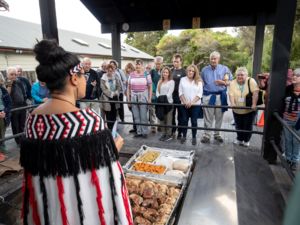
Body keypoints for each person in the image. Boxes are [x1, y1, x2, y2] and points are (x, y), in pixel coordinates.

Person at [20, 39, 133, 225]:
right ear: (74, 78)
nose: (84, 82)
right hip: (78, 211)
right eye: (82, 77)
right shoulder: (88, 121)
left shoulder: (32, 120)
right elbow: (104, 177)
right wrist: (113, 148)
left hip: (47, 209)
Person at [201, 51, 232, 143]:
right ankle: (206, 135)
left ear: (219, 59)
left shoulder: (225, 69)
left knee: (219, 116)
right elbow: (201, 83)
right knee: (207, 117)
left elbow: (231, 82)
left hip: (220, 96)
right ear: (209, 59)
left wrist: (223, 83)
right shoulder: (204, 70)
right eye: (212, 58)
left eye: (215, 58)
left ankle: (217, 134)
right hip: (208, 96)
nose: (213, 60)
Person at [229, 67, 258, 147]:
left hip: (249, 109)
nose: (240, 76)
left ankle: (246, 140)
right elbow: (231, 94)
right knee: (238, 125)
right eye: (238, 75)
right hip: (237, 109)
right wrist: (232, 103)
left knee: (247, 125)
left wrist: (254, 104)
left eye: (242, 75)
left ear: (246, 75)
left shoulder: (251, 81)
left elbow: (255, 93)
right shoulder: (233, 82)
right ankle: (239, 138)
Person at [127, 59, 152, 138]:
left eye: (139, 64)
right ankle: (139, 132)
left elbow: (150, 87)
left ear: (142, 66)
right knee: (136, 116)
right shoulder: (131, 75)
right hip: (134, 96)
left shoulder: (146, 74)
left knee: (143, 115)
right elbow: (128, 87)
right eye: (136, 64)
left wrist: (149, 98)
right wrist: (128, 99)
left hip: (143, 96)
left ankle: (144, 132)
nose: (137, 66)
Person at [179, 65, 203, 145]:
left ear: (195, 72)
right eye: (189, 70)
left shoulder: (199, 81)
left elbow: (200, 94)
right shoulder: (182, 79)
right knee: (184, 120)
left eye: (193, 71)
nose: (191, 72)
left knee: (194, 121)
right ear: (187, 71)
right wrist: (185, 101)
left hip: (195, 105)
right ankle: (184, 136)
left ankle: (194, 137)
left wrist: (192, 102)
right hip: (184, 104)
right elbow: (180, 92)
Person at [282, 68, 300, 171]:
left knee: (296, 141)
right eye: (293, 75)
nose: (294, 77)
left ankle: (295, 161)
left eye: (297, 76)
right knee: (288, 140)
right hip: (287, 119)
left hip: (299, 122)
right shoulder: (288, 89)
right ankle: (288, 159)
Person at [6, 66, 27, 145]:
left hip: (22, 106)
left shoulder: (19, 82)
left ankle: (22, 138)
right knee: (15, 125)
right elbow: (7, 95)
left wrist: (25, 102)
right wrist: (9, 84)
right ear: (7, 75)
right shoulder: (6, 83)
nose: (14, 76)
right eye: (11, 74)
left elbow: (23, 93)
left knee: (22, 124)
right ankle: (18, 141)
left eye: (15, 74)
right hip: (13, 108)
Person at [100, 64, 122, 130]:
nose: (110, 71)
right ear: (106, 70)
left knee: (114, 113)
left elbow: (119, 86)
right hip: (107, 98)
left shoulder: (116, 77)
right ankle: (109, 128)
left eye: (111, 70)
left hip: (115, 97)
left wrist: (116, 92)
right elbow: (103, 89)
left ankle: (114, 127)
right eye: (108, 70)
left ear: (113, 70)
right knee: (108, 114)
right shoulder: (103, 78)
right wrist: (111, 94)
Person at [156, 67, 174, 141]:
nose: (165, 74)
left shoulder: (171, 82)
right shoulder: (160, 81)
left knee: (168, 119)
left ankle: (169, 134)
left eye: (166, 72)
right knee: (162, 119)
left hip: (168, 103)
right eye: (164, 72)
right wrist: (159, 98)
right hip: (160, 103)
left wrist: (163, 98)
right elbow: (157, 91)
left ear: (169, 73)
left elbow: (170, 93)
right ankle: (164, 133)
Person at [171, 54, 186, 139]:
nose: (175, 63)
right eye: (174, 61)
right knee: (172, 114)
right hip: (171, 96)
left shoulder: (184, 72)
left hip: (180, 97)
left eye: (177, 61)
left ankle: (180, 132)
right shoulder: (170, 71)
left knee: (180, 115)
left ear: (181, 62)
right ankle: (173, 130)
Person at [149, 56, 163, 133]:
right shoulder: (152, 71)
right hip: (153, 93)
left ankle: (160, 125)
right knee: (152, 110)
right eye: (157, 63)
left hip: (161, 93)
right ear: (155, 63)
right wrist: (153, 92)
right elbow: (150, 83)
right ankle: (153, 126)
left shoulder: (164, 71)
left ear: (162, 63)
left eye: (159, 64)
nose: (158, 65)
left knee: (160, 110)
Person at [0, 72, 11, 161]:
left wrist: (5, 112)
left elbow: (8, 103)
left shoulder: (2, 90)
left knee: (2, 133)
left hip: (2, 114)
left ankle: (2, 150)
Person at [124, 62, 136, 133]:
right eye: (127, 69)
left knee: (135, 112)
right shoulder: (127, 75)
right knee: (132, 111)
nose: (129, 70)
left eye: (130, 69)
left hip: (133, 95)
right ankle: (135, 126)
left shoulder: (134, 75)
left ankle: (136, 127)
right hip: (128, 95)